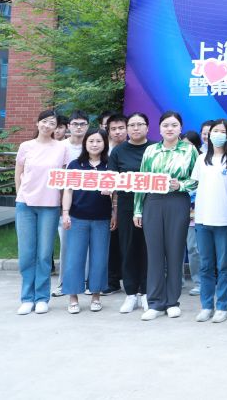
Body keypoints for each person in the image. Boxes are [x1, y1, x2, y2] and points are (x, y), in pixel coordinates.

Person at [134, 111, 199, 321]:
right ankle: (155, 303)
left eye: (174, 125)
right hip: (152, 202)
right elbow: (141, 182)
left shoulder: (189, 150)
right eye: (165, 125)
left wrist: (181, 185)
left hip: (177, 201)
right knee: (154, 253)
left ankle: (172, 302)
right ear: (159, 128)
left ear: (180, 128)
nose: (169, 129)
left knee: (175, 252)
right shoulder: (151, 150)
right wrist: (137, 209)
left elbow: (197, 180)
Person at [15, 110, 69, 315]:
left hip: (50, 205)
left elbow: (65, 179)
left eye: (52, 123)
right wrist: (19, 195)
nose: (47, 126)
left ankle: (42, 297)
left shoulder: (61, 148)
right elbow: (18, 173)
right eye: (44, 121)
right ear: (38, 123)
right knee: (26, 254)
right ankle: (27, 298)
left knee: (44, 254)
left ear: (56, 128)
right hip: (25, 204)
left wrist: (64, 207)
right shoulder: (26, 146)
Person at [61, 128, 114, 314]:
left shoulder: (110, 165)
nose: (94, 144)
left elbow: (116, 193)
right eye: (91, 141)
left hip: (102, 219)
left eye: (99, 141)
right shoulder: (75, 164)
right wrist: (65, 213)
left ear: (104, 144)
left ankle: (96, 296)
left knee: (99, 259)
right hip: (77, 218)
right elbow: (68, 190)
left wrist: (114, 209)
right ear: (85, 143)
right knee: (74, 258)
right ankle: (73, 297)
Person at [191, 119, 227, 324]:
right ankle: (206, 306)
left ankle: (222, 306)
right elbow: (194, 185)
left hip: (226, 219)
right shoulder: (202, 159)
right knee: (206, 265)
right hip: (203, 219)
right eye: (215, 131)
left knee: (224, 266)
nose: (218, 134)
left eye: (222, 131)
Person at [109, 112, 151, 313]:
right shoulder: (118, 151)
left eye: (139, 124)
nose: (135, 128)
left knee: (148, 249)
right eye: (132, 125)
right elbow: (112, 181)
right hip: (126, 206)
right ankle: (131, 293)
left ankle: (146, 292)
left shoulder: (155, 149)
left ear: (147, 127)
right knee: (128, 248)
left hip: (151, 205)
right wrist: (114, 210)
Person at [53, 111, 90, 297]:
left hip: (89, 205)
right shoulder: (60, 147)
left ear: (88, 126)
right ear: (69, 126)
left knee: (89, 247)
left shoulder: (93, 144)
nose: (79, 127)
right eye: (75, 124)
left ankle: (87, 282)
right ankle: (64, 283)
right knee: (66, 246)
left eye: (82, 124)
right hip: (66, 205)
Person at [104, 113, 128, 295]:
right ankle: (112, 281)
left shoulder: (137, 149)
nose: (117, 132)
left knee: (129, 244)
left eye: (121, 128)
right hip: (106, 204)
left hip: (130, 204)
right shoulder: (103, 149)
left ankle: (132, 282)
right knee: (111, 244)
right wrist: (113, 210)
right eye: (113, 129)